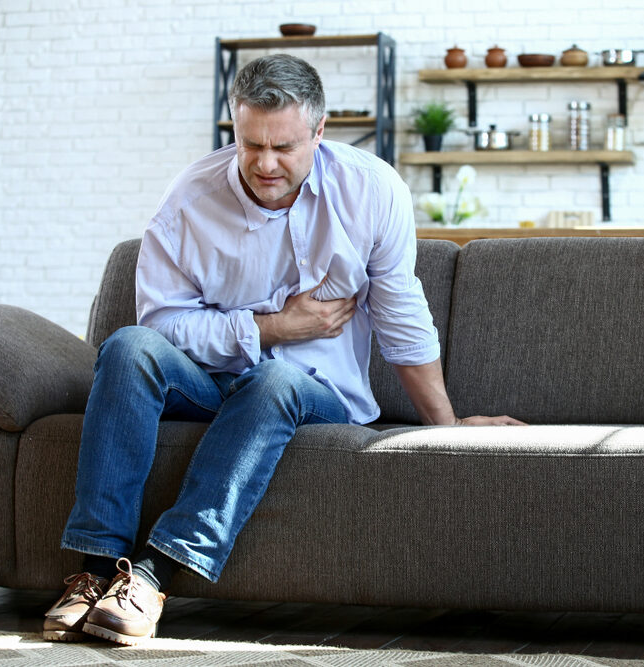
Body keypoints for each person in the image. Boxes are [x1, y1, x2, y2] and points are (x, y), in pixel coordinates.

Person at [42, 53, 525, 646]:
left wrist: (445, 426)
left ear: (320, 132)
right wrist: (269, 329)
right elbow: (162, 324)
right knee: (126, 347)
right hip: (208, 384)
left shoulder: (371, 190)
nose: (265, 164)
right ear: (235, 129)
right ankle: (93, 573)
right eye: (251, 145)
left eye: (285, 147)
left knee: (272, 382)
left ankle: (151, 577)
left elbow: (401, 313)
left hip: (313, 394)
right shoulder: (189, 200)